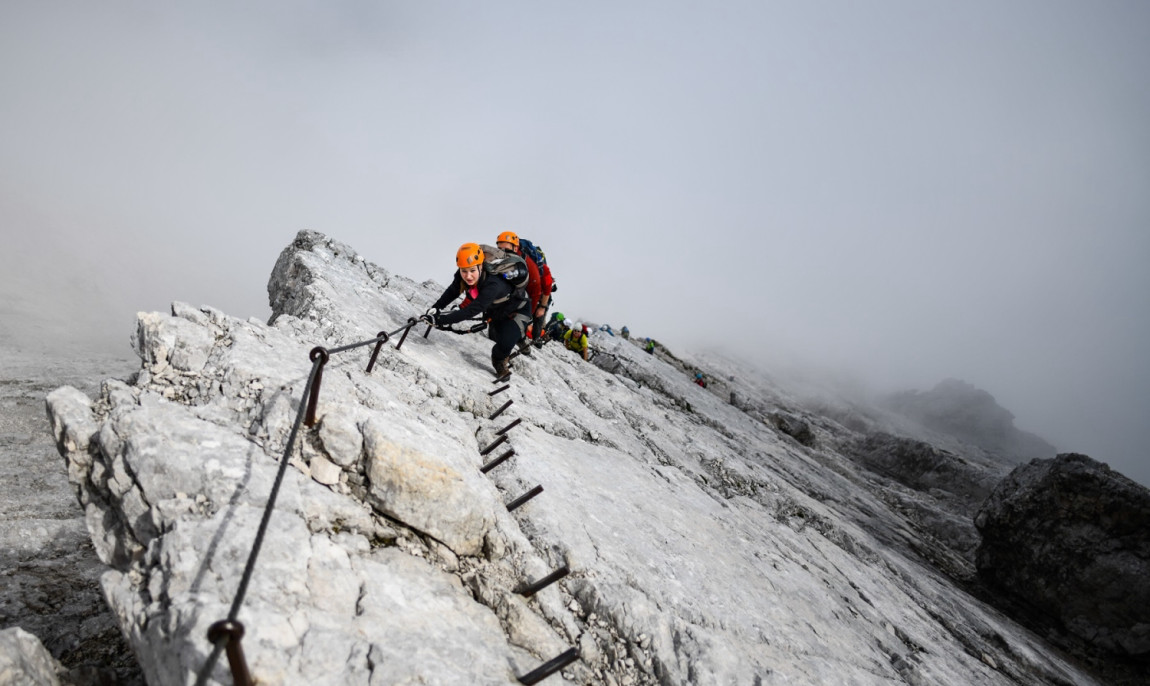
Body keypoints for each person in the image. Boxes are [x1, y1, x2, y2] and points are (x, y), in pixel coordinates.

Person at [423, 243, 530, 378]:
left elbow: (471, 310)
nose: (468, 276)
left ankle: (499, 360)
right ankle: (512, 340)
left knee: (506, 343)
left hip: (518, 310)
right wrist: (436, 308)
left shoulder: (494, 284)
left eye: (472, 271)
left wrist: (439, 320)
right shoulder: (464, 273)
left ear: (480, 266)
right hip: (496, 311)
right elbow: (453, 291)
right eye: (464, 271)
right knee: (500, 337)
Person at [495, 231, 554, 341]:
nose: (503, 252)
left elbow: (546, 288)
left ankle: (535, 339)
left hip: (540, 296)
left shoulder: (541, 269)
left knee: (537, 317)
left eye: (506, 249)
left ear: (516, 248)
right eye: (500, 249)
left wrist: (542, 307)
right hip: (524, 288)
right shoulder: (508, 259)